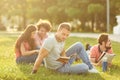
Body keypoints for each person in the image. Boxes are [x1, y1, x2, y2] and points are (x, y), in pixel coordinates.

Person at [31, 22, 98, 74]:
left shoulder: (61, 39)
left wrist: (65, 58)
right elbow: (40, 56)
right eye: (63, 34)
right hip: (57, 68)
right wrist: (34, 72)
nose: (65, 37)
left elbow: (62, 50)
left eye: (67, 35)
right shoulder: (50, 40)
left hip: (62, 62)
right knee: (84, 67)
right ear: (58, 31)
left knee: (79, 45)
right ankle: (86, 67)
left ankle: (90, 67)